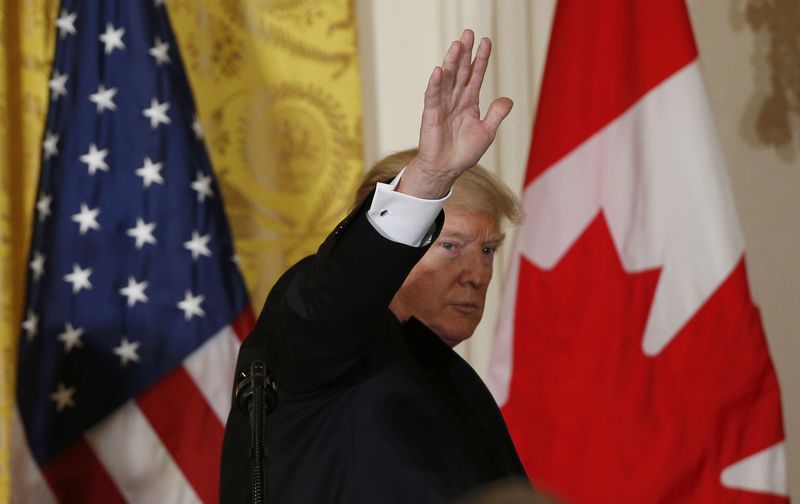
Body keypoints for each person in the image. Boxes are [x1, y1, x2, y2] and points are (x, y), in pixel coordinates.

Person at [220, 29, 528, 503]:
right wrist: (429, 181)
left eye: (487, 250)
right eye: (451, 246)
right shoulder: (326, 340)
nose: (477, 273)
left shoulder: (449, 378)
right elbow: (341, 294)